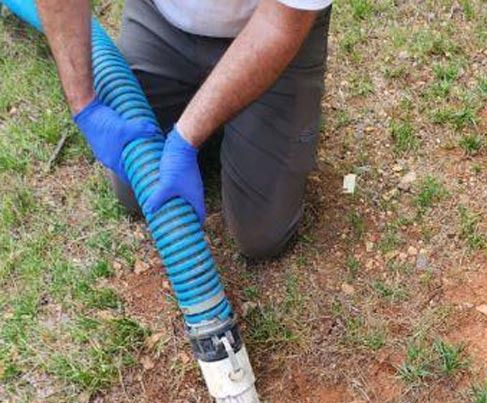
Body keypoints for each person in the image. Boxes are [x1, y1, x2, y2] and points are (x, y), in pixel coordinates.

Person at [37, 0, 332, 259]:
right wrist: (84, 106)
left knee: (261, 235)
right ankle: (219, 116)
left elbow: (279, 25)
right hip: (163, 19)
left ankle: (232, 118)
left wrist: (185, 140)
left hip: (271, 28)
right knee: (135, 191)